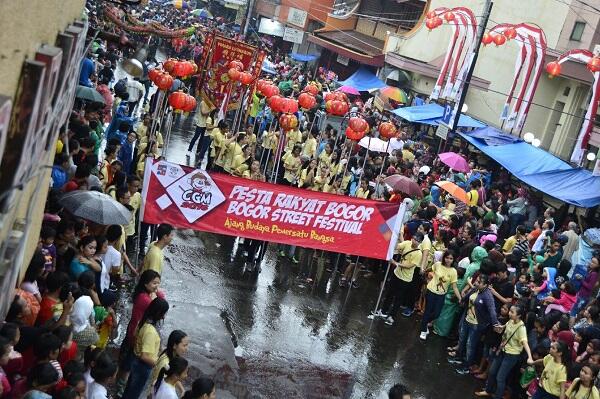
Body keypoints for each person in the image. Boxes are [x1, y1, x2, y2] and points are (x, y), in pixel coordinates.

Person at [476, 305, 533, 398]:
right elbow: (502, 328)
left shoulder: (521, 328)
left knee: (500, 378)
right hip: (502, 350)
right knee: (492, 371)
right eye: (510, 311)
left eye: (512, 312)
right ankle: (488, 391)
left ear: (519, 316)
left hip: (511, 356)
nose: (509, 313)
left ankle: (497, 396)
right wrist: (498, 327)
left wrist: (530, 357)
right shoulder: (510, 321)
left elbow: (525, 343)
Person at [122, 297, 170, 399]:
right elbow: (144, 356)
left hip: (136, 363)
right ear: (159, 313)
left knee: (130, 390)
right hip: (142, 366)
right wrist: (159, 363)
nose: (164, 316)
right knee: (133, 393)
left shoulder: (143, 322)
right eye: (164, 313)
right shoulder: (150, 332)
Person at [377, 233, 424, 325]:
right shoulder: (406, 243)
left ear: (420, 242)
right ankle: (383, 311)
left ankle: (392, 316)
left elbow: (410, 265)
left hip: (405, 279)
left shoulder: (419, 254)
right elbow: (397, 247)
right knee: (389, 293)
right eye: (414, 238)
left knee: (398, 298)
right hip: (396, 274)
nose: (414, 241)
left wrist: (396, 263)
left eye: (417, 240)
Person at [419, 250, 461, 340]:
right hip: (431, 291)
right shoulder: (438, 264)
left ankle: (424, 322)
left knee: (436, 314)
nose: (448, 260)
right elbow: (430, 270)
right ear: (444, 257)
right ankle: (423, 330)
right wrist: (425, 273)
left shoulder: (453, 271)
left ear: (454, 260)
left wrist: (460, 298)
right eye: (447, 258)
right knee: (427, 311)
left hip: (441, 294)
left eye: (451, 258)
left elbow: (455, 287)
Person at [148, 330, 189, 397]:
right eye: (184, 345)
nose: (186, 349)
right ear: (175, 346)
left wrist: (182, 389)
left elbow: (173, 375)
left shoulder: (170, 354)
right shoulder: (165, 363)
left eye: (187, 345)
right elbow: (155, 385)